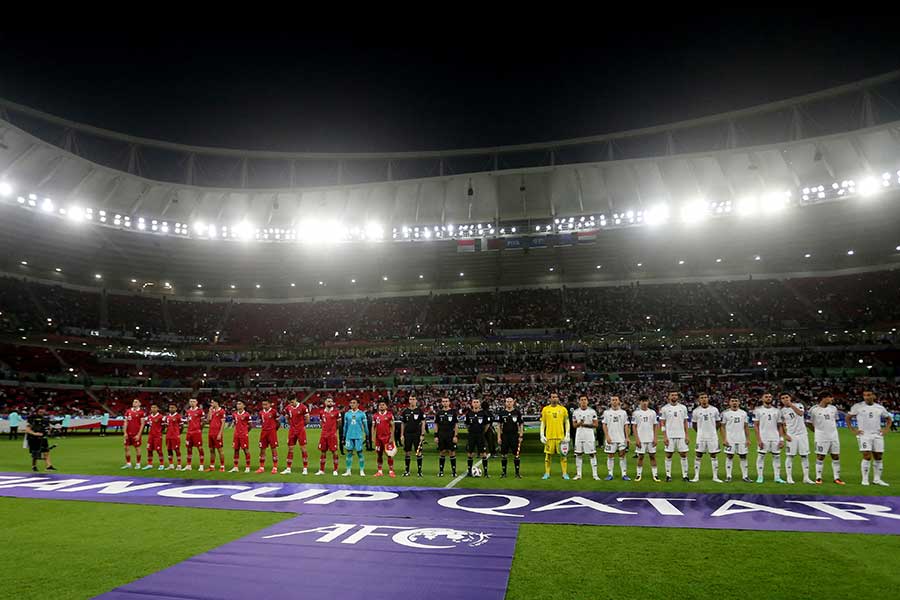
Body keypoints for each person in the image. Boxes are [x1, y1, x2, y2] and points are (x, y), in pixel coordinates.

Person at [848, 389, 892, 486]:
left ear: (873, 396)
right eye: (864, 395)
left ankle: (877, 479)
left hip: (877, 435)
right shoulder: (858, 406)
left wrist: (885, 430)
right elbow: (848, 417)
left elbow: (889, 419)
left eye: (868, 395)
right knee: (867, 456)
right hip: (864, 435)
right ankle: (865, 480)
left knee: (878, 457)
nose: (866, 397)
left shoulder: (880, 408)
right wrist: (853, 430)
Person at [807, 391, 844, 485]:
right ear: (823, 398)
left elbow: (835, 420)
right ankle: (818, 477)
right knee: (820, 456)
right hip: (821, 437)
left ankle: (837, 478)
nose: (832, 399)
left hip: (834, 436)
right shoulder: (814, 409)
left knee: (835, 456)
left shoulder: (833, 408)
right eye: (830, 397)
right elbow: (808, 422)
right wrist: (817, 431)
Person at [780, 392, 813, 484]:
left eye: (787, 397)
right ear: (781, 400)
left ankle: (806, 478)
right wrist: (785, 435)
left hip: (802, 434)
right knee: (790, 456)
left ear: (790, 398)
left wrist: (790, 405)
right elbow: (781, 425)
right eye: (783, 398)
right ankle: (789, 478)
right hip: (791, 435)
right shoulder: (781, 411)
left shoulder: (799, 405)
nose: (785, 399)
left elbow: (800, 413)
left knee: (805, 455)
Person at [753, 392, 786, 484]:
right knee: (761, 456)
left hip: (775, 437)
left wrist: (781, 439)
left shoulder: (777, 411)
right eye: (766, 397)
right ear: (762, 398)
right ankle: (760, 477)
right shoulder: (758, 410)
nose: (768, 398)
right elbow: (756, 426)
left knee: (777, 457)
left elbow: (780, 426)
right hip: (763, 437)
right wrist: (758, 439)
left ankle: (777, 477)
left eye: (770, 397)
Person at [691, 393, 722, 483]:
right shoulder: (696, 411)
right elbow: (694, 424)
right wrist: (700, 432)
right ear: (699, 400)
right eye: (702, 398)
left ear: (708, 399)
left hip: (712, 436)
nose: (704, 399)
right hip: (701, 437)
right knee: (698, 455)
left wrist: (712, 430)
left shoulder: (714, 410)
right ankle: (696, 476)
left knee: (713, 455)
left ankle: (715, 477)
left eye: (705, 397)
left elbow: (718, 422)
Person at [659, 391, 690, 482]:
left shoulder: (683, 407)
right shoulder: (664, 408)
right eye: (672, 395)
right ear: (669, 397)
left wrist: (687, 435)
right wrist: (664, 436)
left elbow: (685, 422)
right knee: (669, 455)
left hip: (681, 435)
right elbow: (662, 423)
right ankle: (668, 475)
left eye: (675, 395)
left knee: (683, 454)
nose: (674, 396)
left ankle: (685, 476)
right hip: (669, 435)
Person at [720, 397, 752, 482]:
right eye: (732, 401)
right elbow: (722, 427)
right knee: (729, 456)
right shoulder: (725, 413)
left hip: (741, 439)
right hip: (730, 439)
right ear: (729, 402)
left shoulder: (743, 413)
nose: (734, 403)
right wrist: (724, 439)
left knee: (743, 456)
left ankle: (745, 476)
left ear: (739, 402)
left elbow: (746, 427)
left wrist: (748, 439)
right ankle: (728, 476)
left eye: (736, 401)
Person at [540, 392, 570, 480]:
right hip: (549, 437)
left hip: (560, 437)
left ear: (558, 398)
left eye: (556, 397)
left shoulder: (563, 409)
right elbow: (543, 423)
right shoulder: (545, 409)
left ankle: (564, 473)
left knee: (563, 456)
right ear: (550, 398)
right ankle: (547, 473)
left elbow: (566, 422)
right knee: (548, 456)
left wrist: (567, 434)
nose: (554, 398)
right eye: (553, 397)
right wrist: (542, 435)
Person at [602, 395, 631, 481]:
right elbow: (604, 425)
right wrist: (607, 436)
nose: (614, 401)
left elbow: (626, 425)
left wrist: (627, 437)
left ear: (619, 401)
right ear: (610, 402)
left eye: (616, 400)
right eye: (613, 400)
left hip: (621, 438)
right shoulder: (606, 412)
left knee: (622, 455)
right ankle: (610, 474)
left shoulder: (623, 412)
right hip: (611, 438)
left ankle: (624, 474)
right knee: (610, 456)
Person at [571, 395, 600, 481]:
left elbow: (596, 425)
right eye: (581, 400)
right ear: (579, 401)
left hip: (589, 435)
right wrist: (579, 423)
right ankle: (579, 474)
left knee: (592, 454)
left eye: (585, 400)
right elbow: (574, 425)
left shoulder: (592, 412)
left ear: (587, 401)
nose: (583, 401)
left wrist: (585, 424)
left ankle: (595, 475)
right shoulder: (575, 412)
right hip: (579, 435)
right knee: (578, 454)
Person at [632, 395, 660, 482]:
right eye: (642, 401)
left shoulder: (652, 412)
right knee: (640, 457)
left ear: (648, 402)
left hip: (651, 438)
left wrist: (655, 437)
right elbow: (634, 426)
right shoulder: (636, 413)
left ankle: (655, 475)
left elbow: (655, 426)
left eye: (646, 401)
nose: (644, 403)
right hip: (641, 439)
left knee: (652, 456)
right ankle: (638, 475)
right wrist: (637, 439)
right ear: (639, 402)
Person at [464, 398, 493, 478]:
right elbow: (466, 424)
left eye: (477, 402)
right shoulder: (469, 414)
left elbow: (487, 424)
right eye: (474, 402)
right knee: (470, 453)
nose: (476, 403)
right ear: (472, 404)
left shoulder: (484, 413)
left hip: (481, 435)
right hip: (472, 436)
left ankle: (486, 473)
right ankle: (469, 472)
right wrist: (470, 430)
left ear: (479, 404)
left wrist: (483, 432)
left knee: (483, 454)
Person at [497, 396, 525, 479]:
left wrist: (521, 435)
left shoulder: (517, 412)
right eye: (507, 401)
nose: (509, 403)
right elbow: (499, 426)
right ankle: (504, 473)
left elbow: (521, 424)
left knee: (516, 455)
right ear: (505, 403)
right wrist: (499, 437)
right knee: (504, 455)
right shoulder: (502, 413)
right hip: (505, 436)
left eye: (510, 401)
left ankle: (517, 473)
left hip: (514, 436)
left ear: (513, 402)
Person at [283, 395, 310, 475]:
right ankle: (288, 468)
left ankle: (305, 469)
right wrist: (292, 425)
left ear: (295, 399)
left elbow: (307, 419)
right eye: (290, 402)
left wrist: (301, 426)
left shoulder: (303, 407)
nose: (291, 404)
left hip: (301, 430)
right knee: (290, 449)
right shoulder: (288, 408)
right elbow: (287, 418)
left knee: (303, 449)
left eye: (292, 402)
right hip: (292, 430)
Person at [400, 395, 426, 477]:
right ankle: (407, 471)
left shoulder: (420, 411)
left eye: (413, 399)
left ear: (416, 400)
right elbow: (403, 423)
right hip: (407, 434)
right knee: (407, 452)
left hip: (417, 434)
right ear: (409, 400)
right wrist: (402, 435)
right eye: (410, 399)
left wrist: (422, 434)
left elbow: (423, 423)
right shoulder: (405, 411)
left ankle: (419, 471)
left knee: (418, 452)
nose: (412, 401)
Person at [315, 396, 341, 476]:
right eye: (328, 401)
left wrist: (334, 431)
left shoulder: (337, 412)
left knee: (334, 452)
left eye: (331, 401)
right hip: (324, 435)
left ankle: (335, 469)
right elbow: (321, 422)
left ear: (333, 403)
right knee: (323, 451)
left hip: (332, 435)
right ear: (325, 402)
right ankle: (322, 470)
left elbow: (339, 423)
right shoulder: (321, 412)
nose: (330, 403)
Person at [342, 397, 368, 476]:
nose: (352, 404)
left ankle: (361, 470)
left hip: (358, 436)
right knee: (349, 453)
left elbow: (365, 426)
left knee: (359, 453)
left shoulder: (362, 413)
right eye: (351, 403)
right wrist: (343, 436)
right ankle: (348, 470)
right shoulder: (347, 414)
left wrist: (367, 435)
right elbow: (345, 426)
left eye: (354, 403)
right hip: (349, 436)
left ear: (358, 404)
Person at [435, 396, 459, 477]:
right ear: (442, 403)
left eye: (446, 401)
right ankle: (441, 471)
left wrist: (456, 436)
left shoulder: (453, 412)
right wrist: (436, 436)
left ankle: (454, 471)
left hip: (450, 434)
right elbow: (436, 424)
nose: (445, 403)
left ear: (449, 403)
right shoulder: (439, 413)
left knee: (452, 452)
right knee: (442, 452)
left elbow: (456, 424)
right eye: (443, 401)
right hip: (441, 434)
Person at [25, 407, 55, 472]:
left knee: (46, 451)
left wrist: (49, 431)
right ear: (37, 411)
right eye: (40, 411)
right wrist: (35, 434)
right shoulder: (32, 419)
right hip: (34, 439)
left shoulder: (45, 419)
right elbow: (27, 430)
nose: (42, 412)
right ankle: (34, 466)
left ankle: (49, 466)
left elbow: (48, 428)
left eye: (43, 411)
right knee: (35, 454)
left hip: (43, 438)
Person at [372, 400, 396, 477]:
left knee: (389, 454)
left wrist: (392, 437)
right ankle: (379, 471)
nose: (381, 406)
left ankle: (391, 471)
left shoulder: (389, 415)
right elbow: (373, 427)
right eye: (380, 405)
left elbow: (393, 426)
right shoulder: (375, 415)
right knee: (379, 455)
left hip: (387, 438)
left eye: (383, 405)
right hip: (378, 439)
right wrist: (373, 437)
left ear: (386, 406)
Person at [256, 399, 280, 474]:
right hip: (263, 432)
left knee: (273, 449)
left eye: (266, 404)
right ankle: (261, 467)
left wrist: (274, 430)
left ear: (269, 404)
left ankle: (275, 467)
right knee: (262, 449)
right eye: (263, 404)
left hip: (272, 432)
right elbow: (261, 421)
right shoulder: (261, 412)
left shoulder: (274, 412)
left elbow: (278, 422)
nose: (264, 406)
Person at [121, 399, 145, 470]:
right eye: (134, 401)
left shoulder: (141, 412)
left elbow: (142, 424)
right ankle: (128, 463)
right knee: (126, 448)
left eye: (136, 402)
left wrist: (139, 435)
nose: (134, 403)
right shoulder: (128, 411)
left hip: (136, 434)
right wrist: (125, 432)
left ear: (139, 404)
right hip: (128, 433)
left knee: (137, 448)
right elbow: (125, 422)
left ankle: (138, 464)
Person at [230, 400, 252, 473]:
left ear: (244, 406)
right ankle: (236, 467)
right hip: (236, 435)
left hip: (243, 435)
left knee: (246, 450)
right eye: (237, 404)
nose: (238, 405)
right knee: (236, 450)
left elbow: (250, 426)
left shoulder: (247, 414)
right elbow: (234, 423)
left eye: (240, 404)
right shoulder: (234, 414)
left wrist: (245, 432)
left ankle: (248, 467)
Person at [184, 397, 205, 471]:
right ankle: (188, 465)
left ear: (196, 402)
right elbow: (187, 421)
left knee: (199, 448)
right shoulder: (188, 411)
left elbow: (203, 421)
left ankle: (201, 465)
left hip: (197, 432)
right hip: (189, 432)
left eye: (193, 401)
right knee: (189, 448)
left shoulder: (200, 411)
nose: (192, 403)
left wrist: (199, 429)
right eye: (191, 401)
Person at [207, 398, 226, 472]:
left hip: (217, 433)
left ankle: (222, 466)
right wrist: (209, 412)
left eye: (212, 402)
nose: (211, 404)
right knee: (211, 450)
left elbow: (223, 423)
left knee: (220, 450)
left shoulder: (222, 411)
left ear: (216, 403)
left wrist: (220, 434)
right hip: (211, 433)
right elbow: (208, 420)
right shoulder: (212, 411)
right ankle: (212, 466)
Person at [144, 403, 165, 470]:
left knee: (159, 450)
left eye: (155, 407)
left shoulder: (161, 417)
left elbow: (164, 426)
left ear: (157, 409)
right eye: (152, 407)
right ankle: (150, 464)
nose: (153, 409)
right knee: (149, 450)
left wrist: (159, 432)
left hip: (157, 436)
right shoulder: (149, 417)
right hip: (151, 436)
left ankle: (162, 464)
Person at [164, 403, 183, 470]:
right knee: (169, 450)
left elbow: (181, 426)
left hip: (175, 436)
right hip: (168, 436)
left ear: (176, 408)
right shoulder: (167, 416)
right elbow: (166, 426)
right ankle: (171, 465)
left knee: (177, 450)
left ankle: (179, 465)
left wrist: (177, 434)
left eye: (172, 407)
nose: (171, 409)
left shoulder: (178, 416)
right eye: (170, 407)